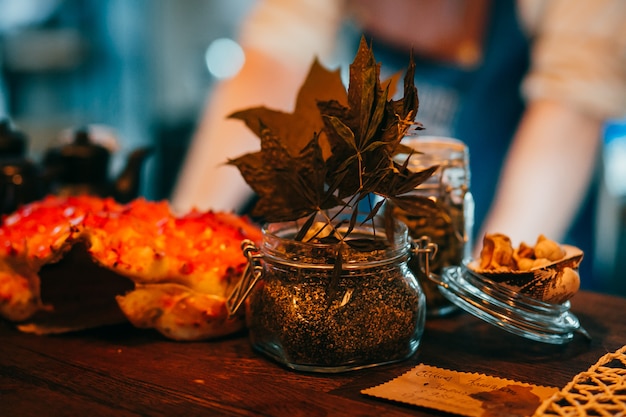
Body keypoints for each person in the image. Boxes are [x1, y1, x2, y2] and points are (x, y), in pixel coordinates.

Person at [171, 0, 626, 288]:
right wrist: (186, 235)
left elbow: (571, 107)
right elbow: (274, 56)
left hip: (513, 225)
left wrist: (488, 294)